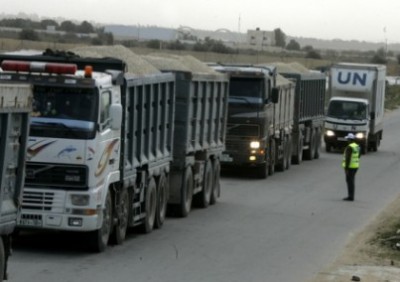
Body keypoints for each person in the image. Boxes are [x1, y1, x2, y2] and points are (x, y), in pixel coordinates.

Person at [342, 133, 360, 201]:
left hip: (350, 167)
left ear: (350, 140)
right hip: (355, 166)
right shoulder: (357, 146)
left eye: (348, 139)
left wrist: (346, 168)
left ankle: (350, 196)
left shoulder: (349, 147)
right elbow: (359, 156)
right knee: (351, 181)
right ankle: (351, 195)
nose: (347, 140)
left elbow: (348, 158)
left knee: (350, 181)